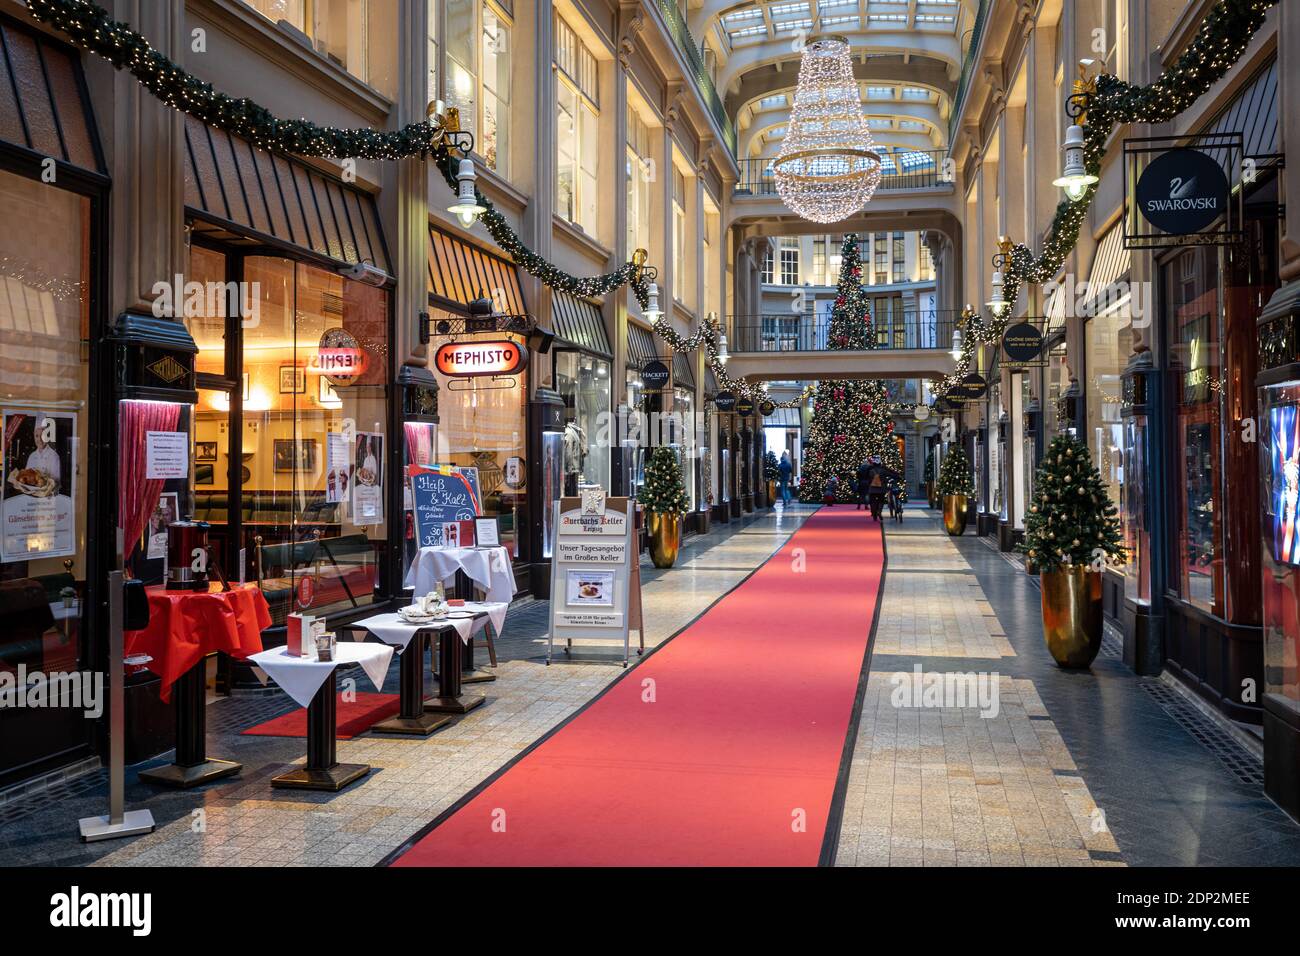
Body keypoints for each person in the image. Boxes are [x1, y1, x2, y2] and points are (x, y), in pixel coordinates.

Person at [862, 456, 903, 521]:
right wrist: (898, 476)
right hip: (881, 488)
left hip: (872, 488)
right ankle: (879, 512)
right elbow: (891, 473)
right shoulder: (883, 469)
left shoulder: (869, 469)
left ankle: (874, 513)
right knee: (881, 500)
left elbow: (865, 477)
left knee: (872, 501)